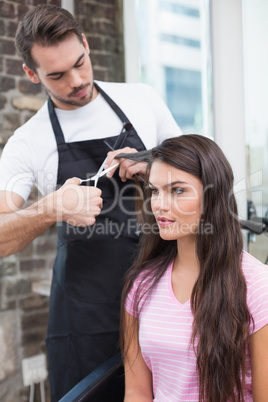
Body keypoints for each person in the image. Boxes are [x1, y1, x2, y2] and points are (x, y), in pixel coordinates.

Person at [0, 4, 181, 401]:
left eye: (80, 63)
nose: (78, 80)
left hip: (161, 300)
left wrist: (150, 165)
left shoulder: (143, 100)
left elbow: (196, 176)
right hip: (85, 321)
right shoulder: (28, 143)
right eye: (58, 76)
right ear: (32, 75)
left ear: (85, 43)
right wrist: (51, 208)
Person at [120, 134, 268, 402]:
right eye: (154, 190)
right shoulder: (141, 285)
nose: (160, 205)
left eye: (177, 190)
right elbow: (136, 392)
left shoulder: (258, 287)